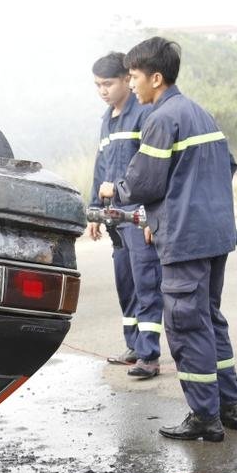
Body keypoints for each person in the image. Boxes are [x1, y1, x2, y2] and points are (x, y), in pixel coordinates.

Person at [102, 36, 237, 441]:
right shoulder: (200, 113)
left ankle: (204, 417)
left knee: (185, 324)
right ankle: (229, 406)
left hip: (185, 239)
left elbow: (145, 181)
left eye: (133, 77)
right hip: (214, 234)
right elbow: (226, 165)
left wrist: (118, 189)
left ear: (156, 78)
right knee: (210, 319)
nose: (130, 85)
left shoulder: (162, 119)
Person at [87, 52, 162, 378]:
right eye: (97, 85)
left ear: (127, 80)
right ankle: (133, 346)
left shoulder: (143, 115)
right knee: (126, 284)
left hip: (137, 216)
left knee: (147, 284)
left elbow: (152, 170)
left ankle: (149, 356)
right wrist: (95, 212)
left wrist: (150, 216)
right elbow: (101, 168)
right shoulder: (108, 119)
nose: (102, 90)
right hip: (115, 219)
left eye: (108, 83)